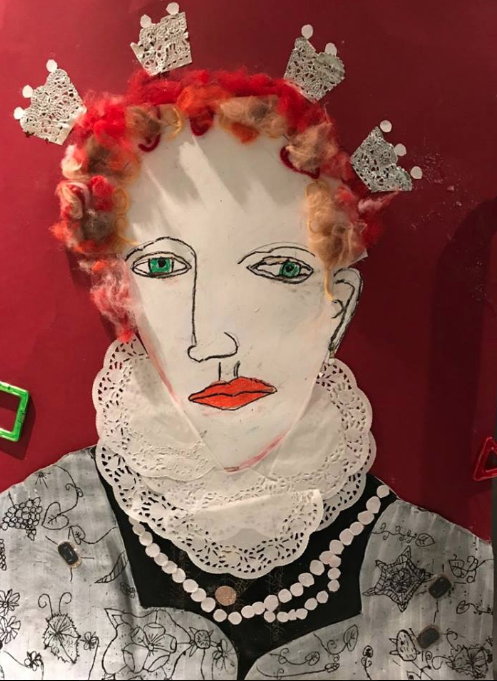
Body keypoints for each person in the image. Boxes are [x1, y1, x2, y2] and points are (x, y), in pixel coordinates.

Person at [0, 70, 492, 680]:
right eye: (164, 266)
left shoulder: (449, 577)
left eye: (281, 269)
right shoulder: (30, 537)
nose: (218, 343)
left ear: (337, 309)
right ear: (121, 297)